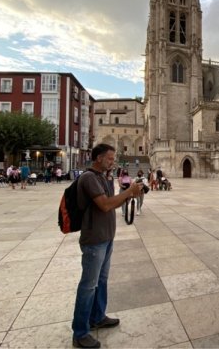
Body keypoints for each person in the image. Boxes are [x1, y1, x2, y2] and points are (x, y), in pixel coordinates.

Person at [72, 143, 143, 349]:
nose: (113, 162)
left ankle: (97, 316)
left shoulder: (103, 177)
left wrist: (129, 194)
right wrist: (128, 192)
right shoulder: (88, 178)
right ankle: (80, 333)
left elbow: (112, 202)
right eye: (110, 158)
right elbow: (104, 205)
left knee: (101, 281)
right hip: (94, 239)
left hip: (106, 237)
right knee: (88, 285)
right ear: (99, 158)